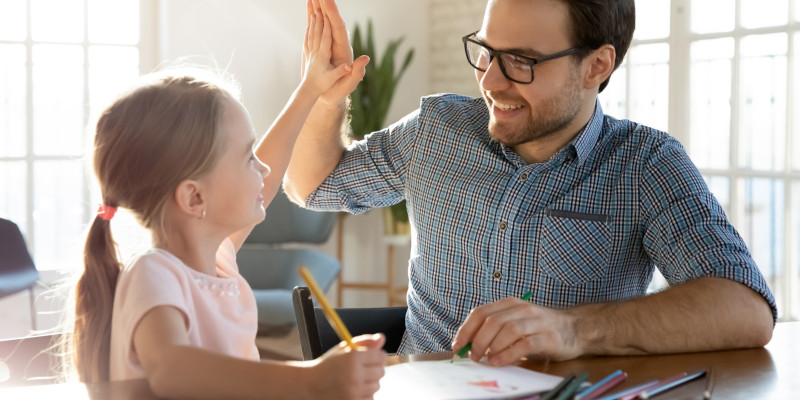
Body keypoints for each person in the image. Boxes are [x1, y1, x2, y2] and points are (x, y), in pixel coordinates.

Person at [283, 0, 777, 367]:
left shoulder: (646, 165)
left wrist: (572, 328)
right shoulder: (436, 130)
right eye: (486, 50)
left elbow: (746, 309)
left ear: (597, 66)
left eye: (522, 61)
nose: (492, 81)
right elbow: (313, 186)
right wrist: (326, 100)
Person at [72, 11, 386, 399]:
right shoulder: (153, 274)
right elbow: (172, 370)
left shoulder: (216, 261)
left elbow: (267, 181)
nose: (264, 167)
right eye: (247, 157)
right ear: (194, 198)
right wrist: (310, 380)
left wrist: (310, 90)